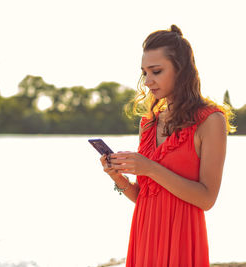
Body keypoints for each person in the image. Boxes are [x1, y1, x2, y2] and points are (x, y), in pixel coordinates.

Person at [99, 25, 234, 267]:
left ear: (181, 71)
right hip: (144, 234)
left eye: (157, 71)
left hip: (182, 239)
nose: (148, 81)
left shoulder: (211, 121)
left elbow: (207, 199)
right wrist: (118, 178)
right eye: (144, 73)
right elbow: (144, 196)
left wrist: (149, 168)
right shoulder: (149, 123)